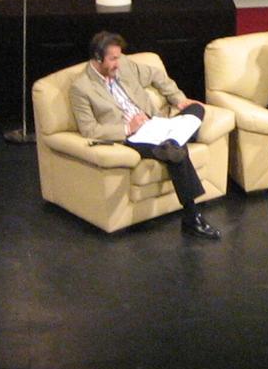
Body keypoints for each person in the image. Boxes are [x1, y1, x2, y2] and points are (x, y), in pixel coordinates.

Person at [71, 30, 221, 241]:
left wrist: (178, 99)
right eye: (113, 58)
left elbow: (156, 76)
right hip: (133, 138)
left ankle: (172, 142)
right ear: (98, 58)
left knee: (196, 109)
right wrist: (127, 128)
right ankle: (192, 217)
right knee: (175, 153)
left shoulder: (124, 65)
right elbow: (88, 129)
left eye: (119, 56)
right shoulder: (81, 87)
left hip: (156, 124)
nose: (118, 63)